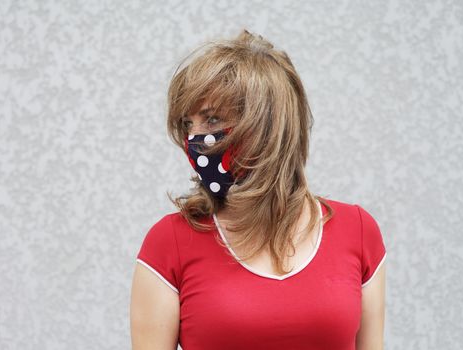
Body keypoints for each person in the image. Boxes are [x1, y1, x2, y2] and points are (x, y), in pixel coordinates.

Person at [130, 29, 387, 350]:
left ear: (269, 125)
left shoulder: (357, 232)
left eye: (211, 120)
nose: (195, 139)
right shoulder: (169, 243)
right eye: (187, 124)